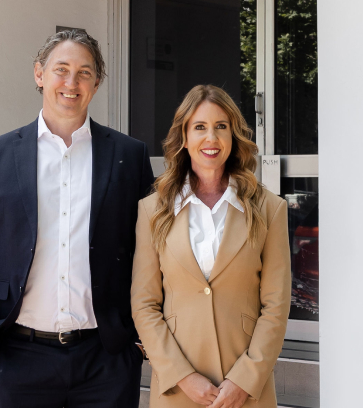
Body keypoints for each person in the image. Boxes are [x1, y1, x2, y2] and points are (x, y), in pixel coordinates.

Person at [0, 28, 153, 408]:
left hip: (106, 361)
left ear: (97, 83)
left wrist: (138, 343)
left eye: (84, 72)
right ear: (39, 75)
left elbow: (153, 254)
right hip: (16, 359)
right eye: (61, 69)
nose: (71, 83)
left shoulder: (129, 155)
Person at [131, 85, 291, 408]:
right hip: (177, 391)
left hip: (247, 392)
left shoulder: (269, 209)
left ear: (233, 136)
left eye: (221, 127)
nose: (212, 138)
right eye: (200, 127)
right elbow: (144, 305)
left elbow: (276, 306)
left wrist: (244, 380)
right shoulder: (153, 210)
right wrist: (183, 377)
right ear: (184, 137)